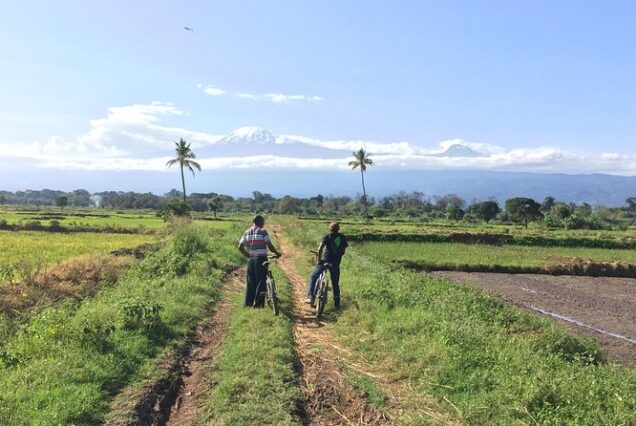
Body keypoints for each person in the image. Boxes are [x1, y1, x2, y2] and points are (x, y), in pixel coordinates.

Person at [238, 215, 281, 308]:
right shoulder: (262, 231)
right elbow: (269, 245)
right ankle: (258, 305)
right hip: (261, 259)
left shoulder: (247, 232)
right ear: (260, 222)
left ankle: (248, 304)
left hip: (251, 260)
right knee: (261, 281)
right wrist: (277, 253)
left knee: (251, 282)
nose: (264, 223)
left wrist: (248, 255)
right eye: (263, 221)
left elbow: (240, 247)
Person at [305, 222, 348, 309]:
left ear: (330, 229)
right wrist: (337, 257)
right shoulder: (343, 238)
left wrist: (318, 260)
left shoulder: (327, 237)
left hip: (325, 261)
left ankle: (310, 297)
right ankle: (337, 305)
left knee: (314, 276)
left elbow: (320, 249)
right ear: (338, 229)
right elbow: (343, 251)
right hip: (335, 263)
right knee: (335, 283)